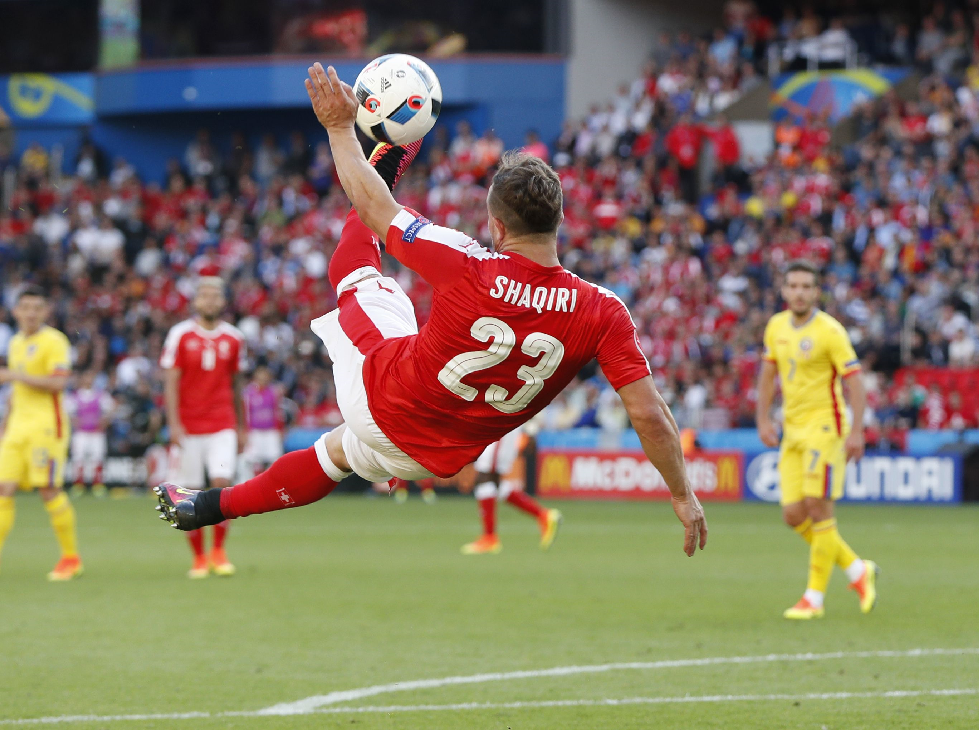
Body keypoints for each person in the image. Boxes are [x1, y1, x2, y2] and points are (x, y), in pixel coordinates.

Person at [156, 64, 707, 563]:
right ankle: (205, 507)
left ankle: (395, 152)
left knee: (359, 272)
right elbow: (649, 414)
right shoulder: (603, 311)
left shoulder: (470, 262)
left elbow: (374, 212)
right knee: (333, 455)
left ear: (495, 226)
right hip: (432, 457)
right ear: (558, 221)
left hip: (385, 397)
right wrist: (681, 494)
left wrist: (339, 128)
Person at [756, 261, 878, 620]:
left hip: (826, 429)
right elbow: (767, 375)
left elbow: (855, 382)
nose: (798, 292)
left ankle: (814, 598)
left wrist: (856, 431)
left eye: (806, 286)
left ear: (816, 292)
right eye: (792, 285)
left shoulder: (831, 331)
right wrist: (762, 418)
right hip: (792, 431)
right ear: (783, 290)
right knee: (793, 515)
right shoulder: (776, 326)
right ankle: (858, 570)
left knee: (818, 507)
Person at [0, 287, 82, 580]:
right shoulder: (15, 343)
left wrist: (16, 375)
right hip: (16, 427)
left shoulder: (54, 341)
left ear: (46, 312)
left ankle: (71, 558)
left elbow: (58, 383)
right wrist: (1, 428)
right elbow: (16, 392)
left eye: (37, 307)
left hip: (47, 427)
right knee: (0, 489)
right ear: (16, 311)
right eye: (26, 307)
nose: (31, 313)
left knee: (49, 490)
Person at [160, 278, 248, 579]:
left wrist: (241, 426)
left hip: (222, 423)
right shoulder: (180, 335)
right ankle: (198, 557)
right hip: (188, 427)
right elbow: (171, 382)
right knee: (190, 492)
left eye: (215, 296)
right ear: (195, 301)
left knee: (222, 484)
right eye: (204, 296)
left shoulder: (234, 338)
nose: (209, 301)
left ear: (223, 301)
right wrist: (173, 424)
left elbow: (237, 385)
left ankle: (218, 552)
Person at [461, 422, 560, 555]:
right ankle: (543, 515)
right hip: (500, 426)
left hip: (501, 427)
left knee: (485, 477)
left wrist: (531, 430)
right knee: (493, 483)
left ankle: (489, 538)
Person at [66, 370, 114, 497]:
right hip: (81, 433)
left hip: (97, 433)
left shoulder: (101, 395)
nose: (89, 380)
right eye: (86, 377)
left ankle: (98, 485)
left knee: (97, 458)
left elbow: (110, 410)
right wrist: (75, 422)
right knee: (78, 458)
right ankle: (78, 485)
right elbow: (69, 413)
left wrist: (103, 422)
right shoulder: (75, 396)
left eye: (91, 377)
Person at [242, 365, 285, 477]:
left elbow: (277, 412)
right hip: (254, 431)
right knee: (252, 460)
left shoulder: (273, 392)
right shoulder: (248, 394)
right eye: (260, 378)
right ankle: (251, 484)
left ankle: (272, 483)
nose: (263, 381)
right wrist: (245, 431)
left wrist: (280, 430)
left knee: (275, 459)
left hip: (270, 431)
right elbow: (245, 413)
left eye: (265, 378)